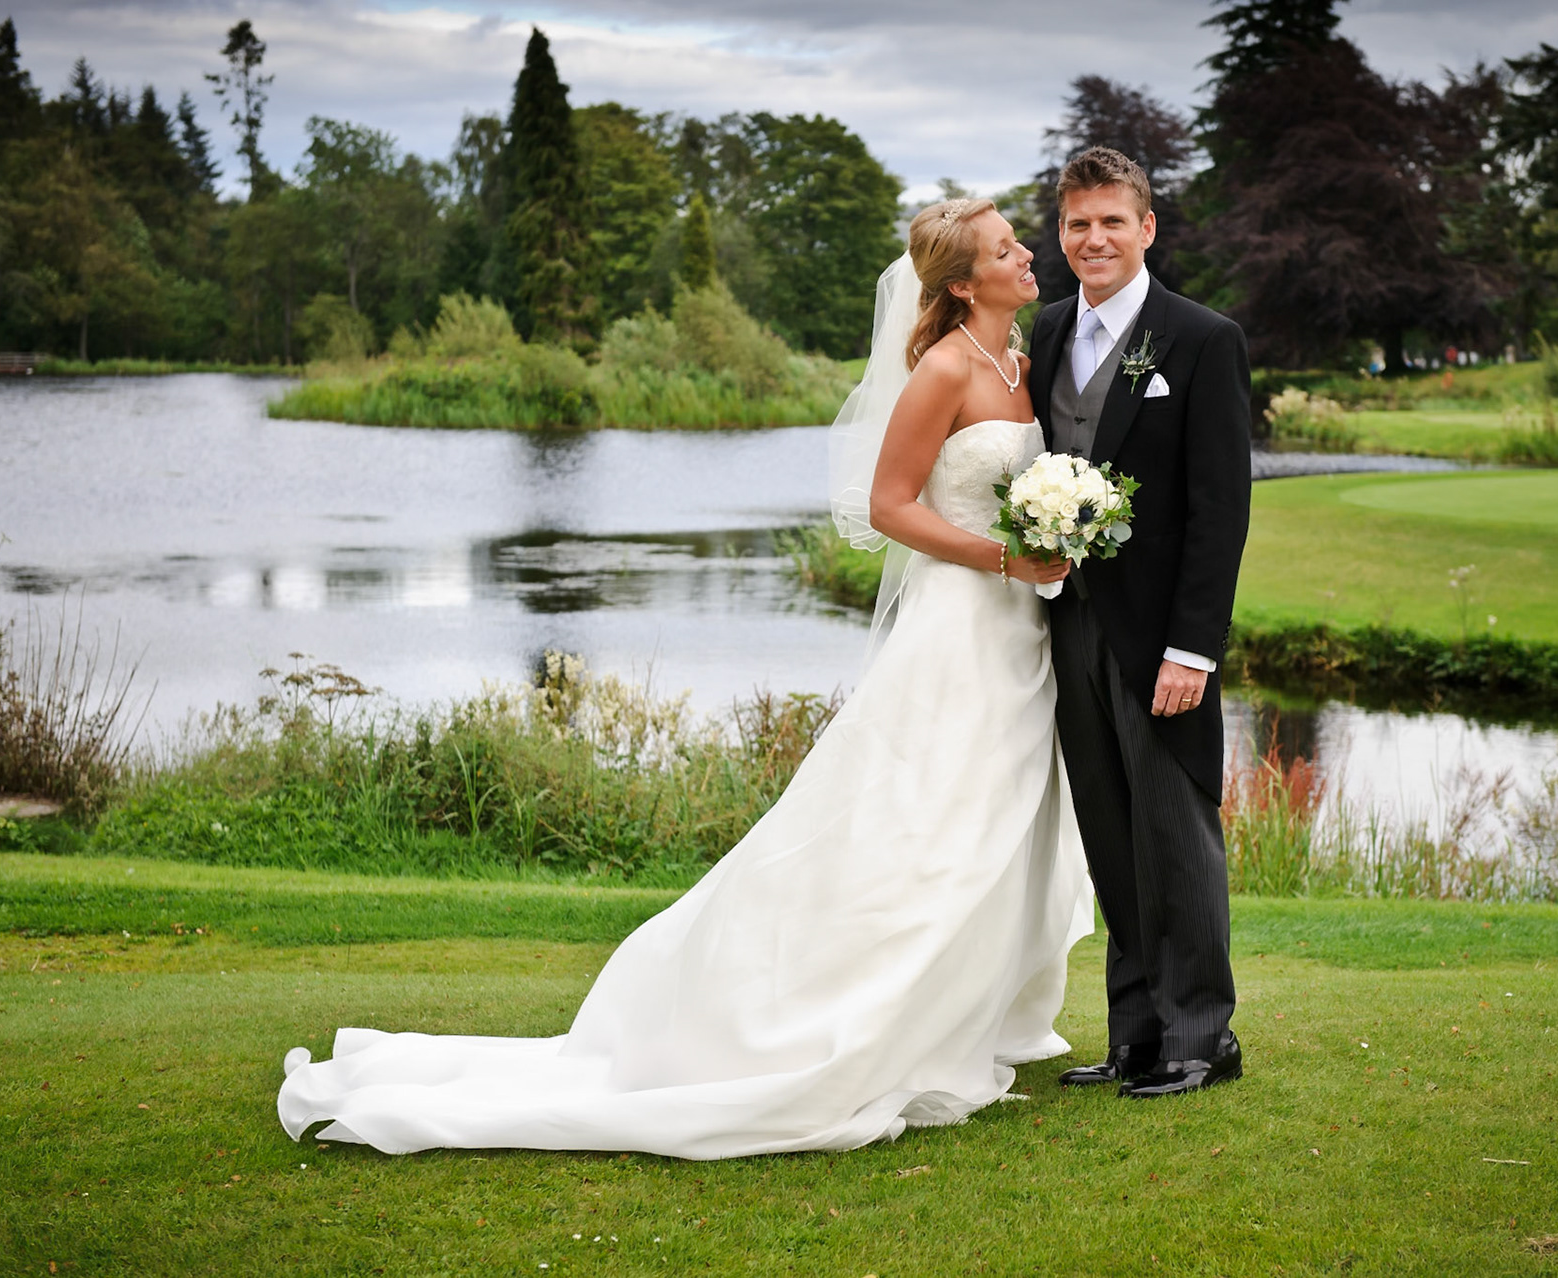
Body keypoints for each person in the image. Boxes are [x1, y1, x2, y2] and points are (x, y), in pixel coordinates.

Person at [276, 199, 1092, 1158]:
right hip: (959, 629)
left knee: (994, 820)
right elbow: (884, 507)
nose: (1028, 253)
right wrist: (1000, 559)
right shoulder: (946, 369)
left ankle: (972, 1011)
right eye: (1007, 248)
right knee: (922, 820)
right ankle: (846, 1017)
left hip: (1021, 633)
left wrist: (1057, 531)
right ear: (962, 282)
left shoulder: (1024, 363)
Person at [1029, 147, 1252, 1099]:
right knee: (1109, 833)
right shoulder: (1040, 335)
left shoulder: (1200, 339)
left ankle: (1205, 1037)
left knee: (1176, 833)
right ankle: (1136, 1036)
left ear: (1147, 228)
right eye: (1078, 223)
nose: (1094, 240)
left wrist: (1193, 650)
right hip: (1067, 629)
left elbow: (1220, 509)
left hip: (1163, 638)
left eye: (1112, 221)